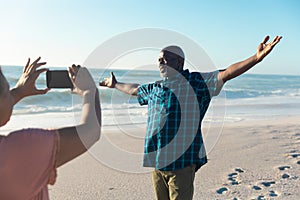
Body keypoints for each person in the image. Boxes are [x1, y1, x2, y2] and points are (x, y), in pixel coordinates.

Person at [99, 35, 282, 200]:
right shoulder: (156, 88)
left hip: (182, 162)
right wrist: (115, 84)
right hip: (157, 163)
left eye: (165, 58)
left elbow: (226, 73)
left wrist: (256, 58)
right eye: (159, 59)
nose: (161, 62)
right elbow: (133, 89)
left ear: (179, 62)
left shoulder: (197, 83)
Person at [0, 57, 101, 200]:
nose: (11, 95)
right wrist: (89, 91)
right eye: (7, 91)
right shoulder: (17, 150)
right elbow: (90, 132)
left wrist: (18, 92)